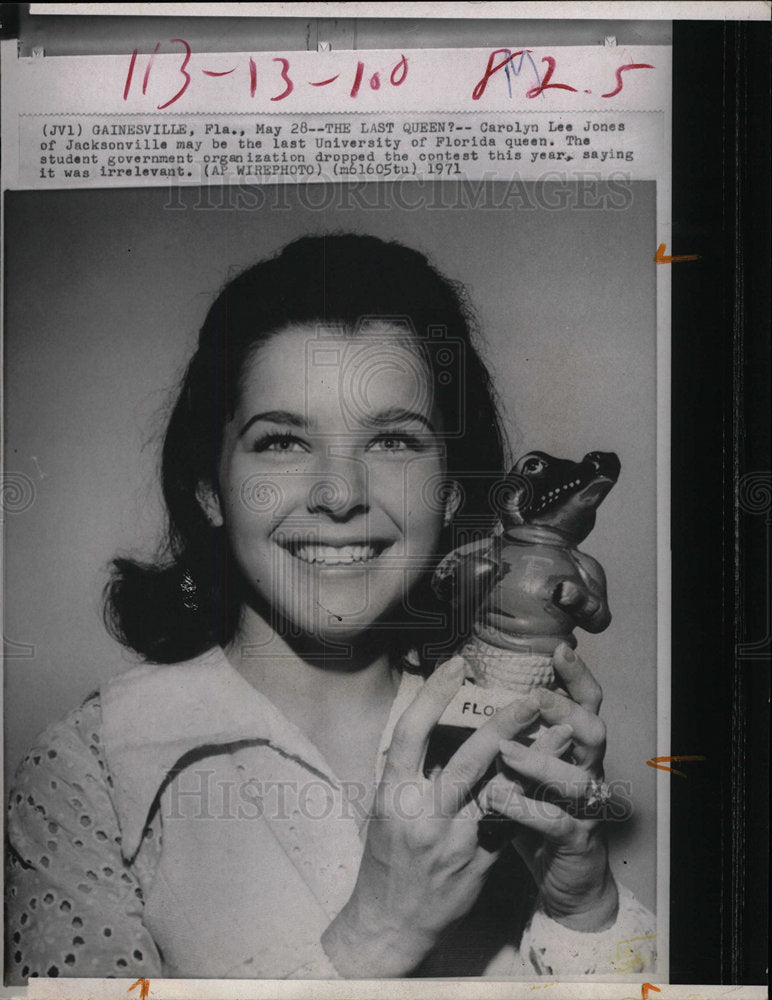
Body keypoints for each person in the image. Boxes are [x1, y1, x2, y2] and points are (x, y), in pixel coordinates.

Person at [4, 234, 655, 981]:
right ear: (210, 488)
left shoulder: (519, 743)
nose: (340, 495)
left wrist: (585, 911)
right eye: (281, 442)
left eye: (393, 442)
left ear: (449, 494)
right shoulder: (87, 770)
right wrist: (375, 934)